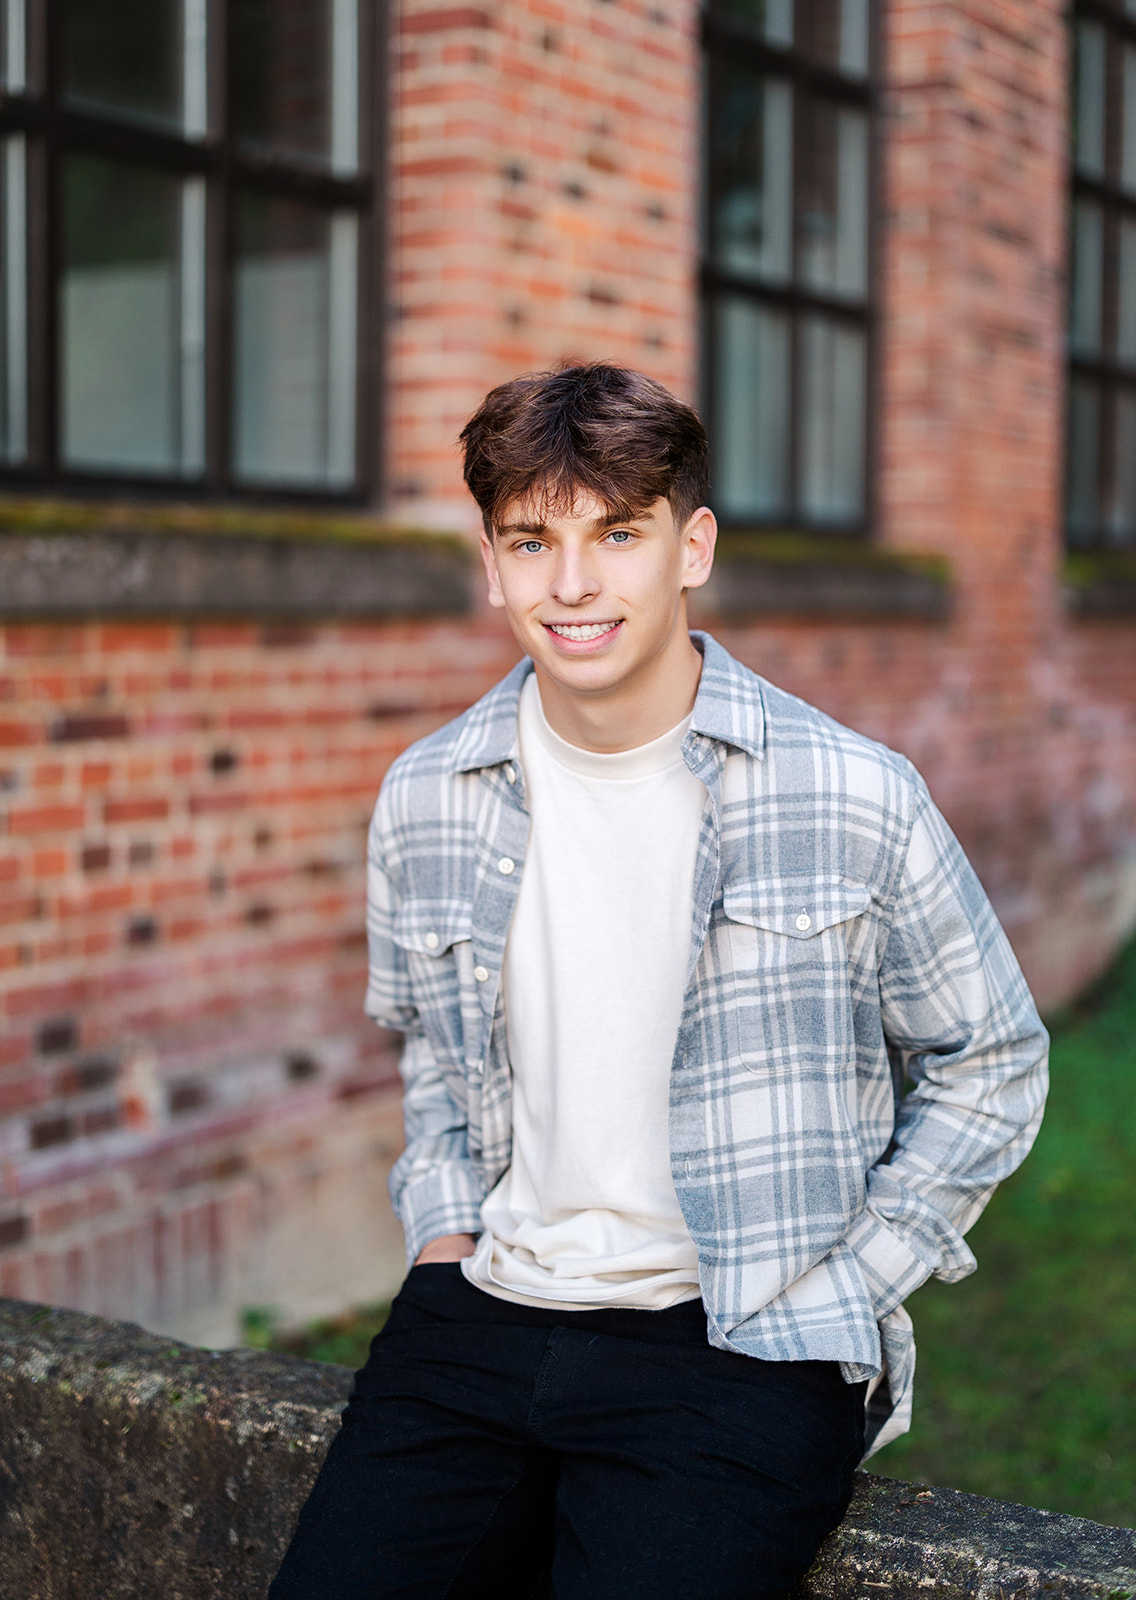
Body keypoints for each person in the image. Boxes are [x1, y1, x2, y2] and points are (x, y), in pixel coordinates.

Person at [269, 363, 1049, 1600]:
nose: (570, 584)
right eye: (531, 540)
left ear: (690, 548)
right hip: (482, 1308)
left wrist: (848, 1282)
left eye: (615, 533)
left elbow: (992, 1057)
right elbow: (430, 1040)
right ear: (490, 562)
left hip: (739, 1337)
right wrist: (442, 1232)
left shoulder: (849, 791)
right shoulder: (426, 793)